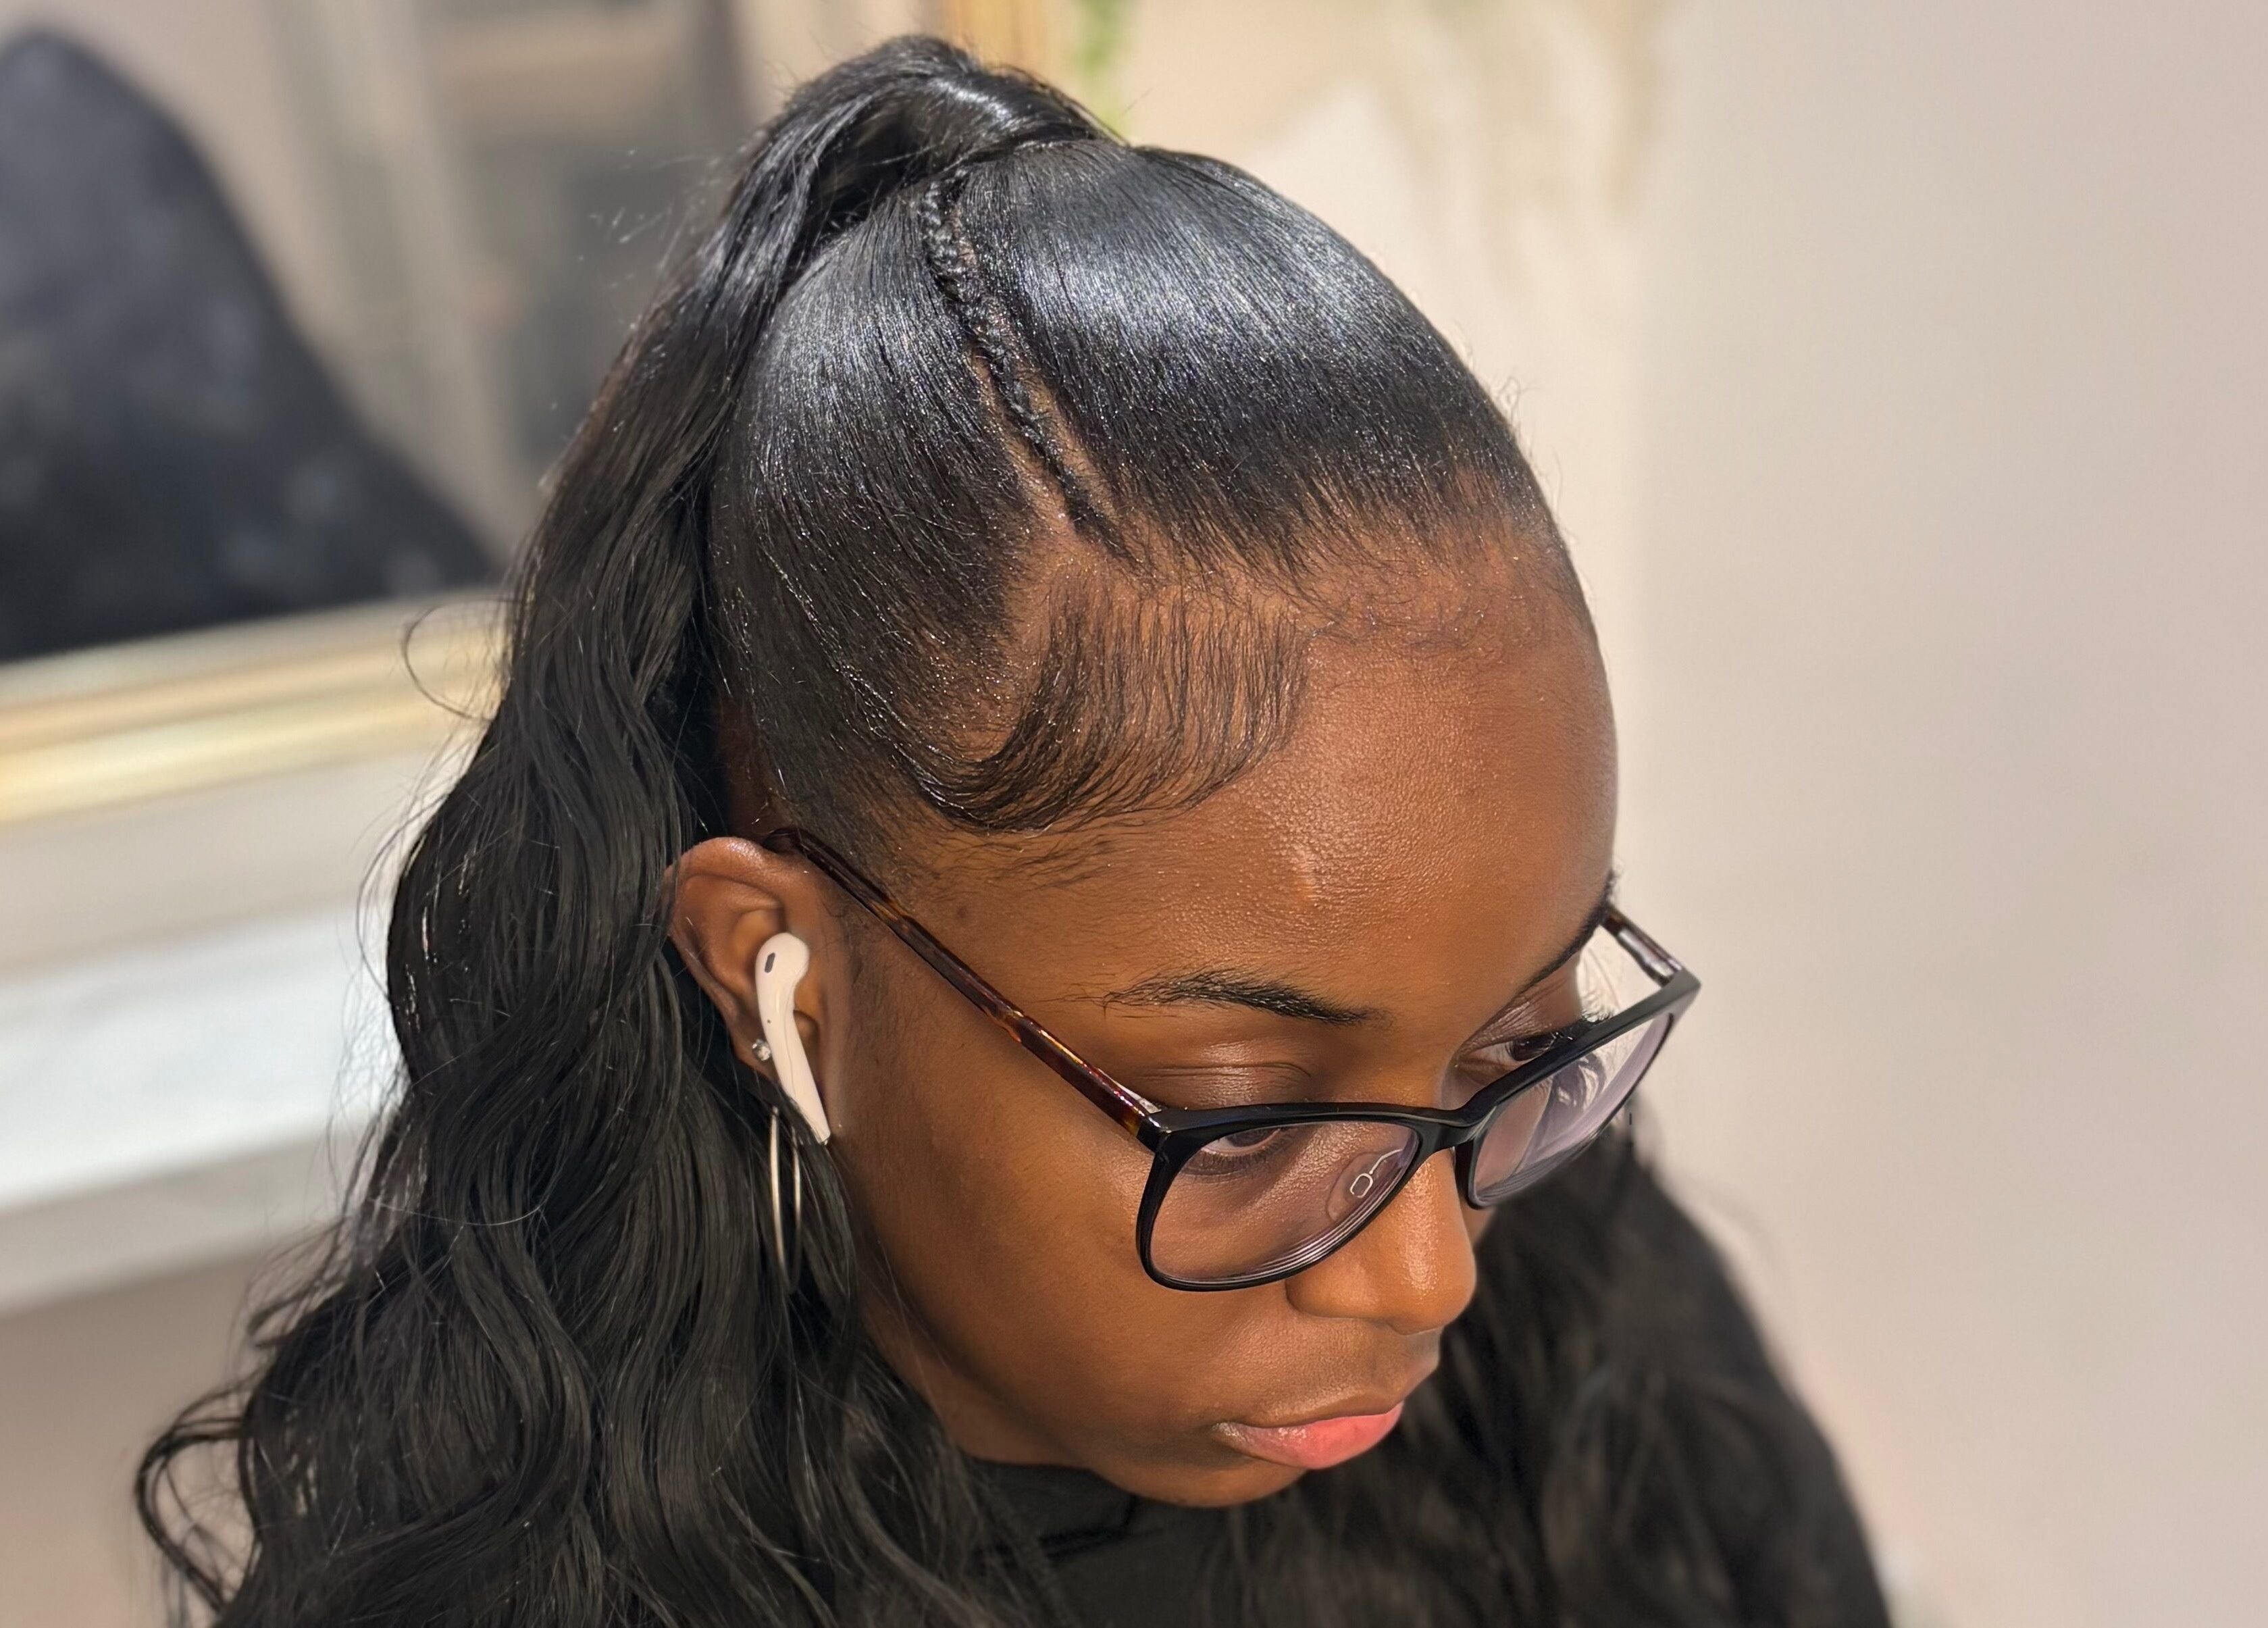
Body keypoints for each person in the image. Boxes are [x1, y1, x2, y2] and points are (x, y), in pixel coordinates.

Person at [140, 37, 1888, 1628]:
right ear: (776, 975)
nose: (1427, 1274)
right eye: (1247, 1122)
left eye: (1517, 1053)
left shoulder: (1590, 1336)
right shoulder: (520, 1576)